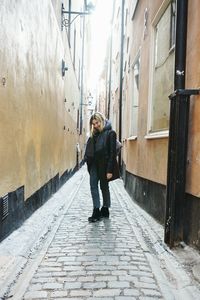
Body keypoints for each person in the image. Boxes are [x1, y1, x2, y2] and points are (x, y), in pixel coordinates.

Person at [84, 112, 119, 222]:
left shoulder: (110, 133)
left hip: (104, 165)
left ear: (102, 121)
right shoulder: (93, 135)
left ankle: (105, 208)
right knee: (93, 185)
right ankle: (96, 210)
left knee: (104, 187)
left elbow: (112, 153)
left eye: (97, 122)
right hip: (94, 164)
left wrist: (109, 170)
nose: (95, 125)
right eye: (93, 124)